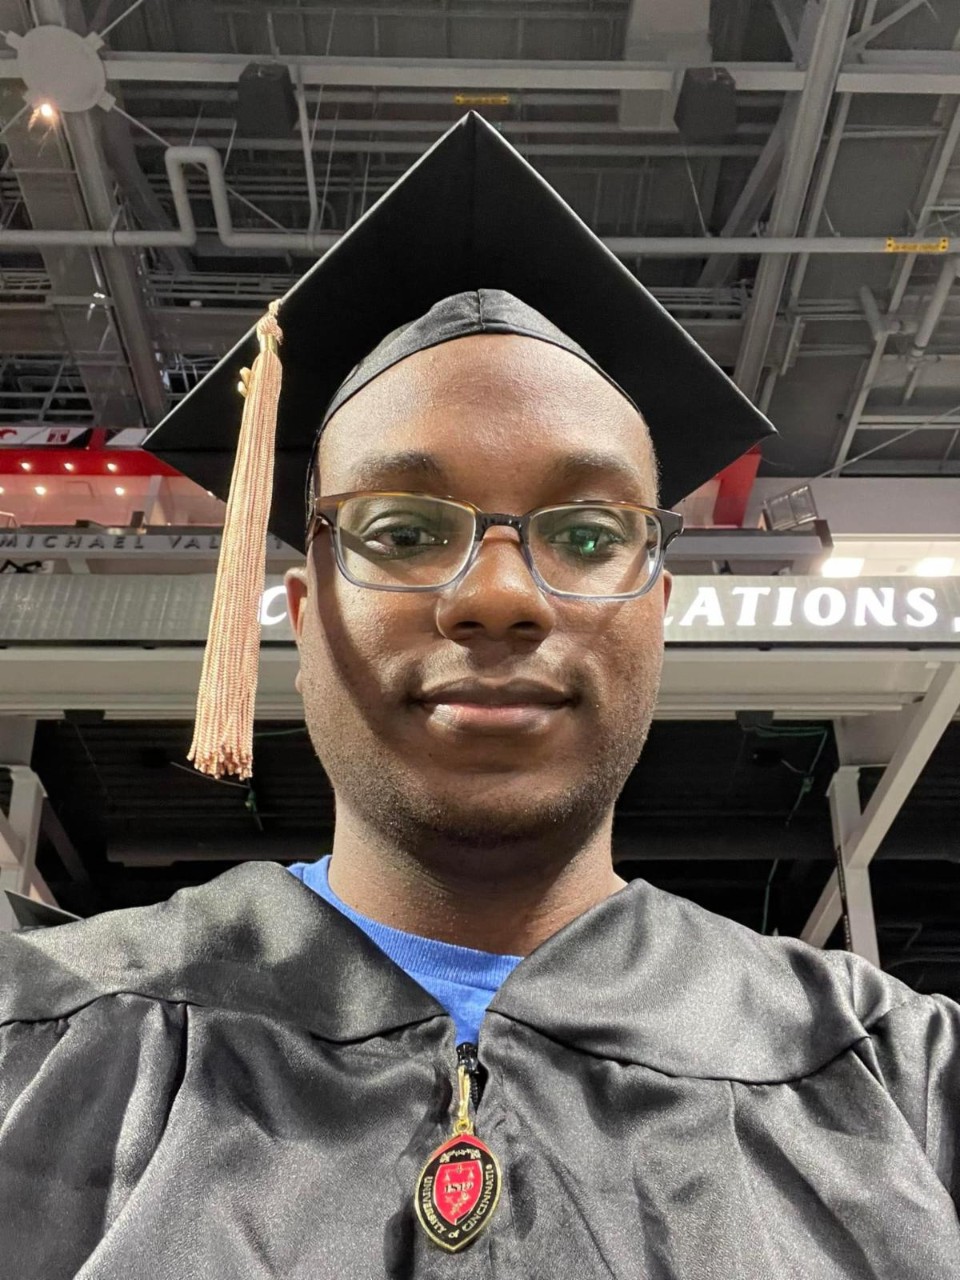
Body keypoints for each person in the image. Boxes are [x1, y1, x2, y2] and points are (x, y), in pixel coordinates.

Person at [1, 113, 958, 1279]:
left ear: (657, 608)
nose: (498, 594)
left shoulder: (902, 1086)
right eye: (403, 530)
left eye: (590, 531)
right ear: (304, 618)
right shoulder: (45, 1044)